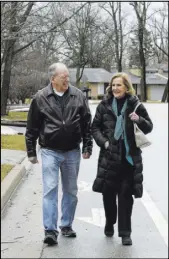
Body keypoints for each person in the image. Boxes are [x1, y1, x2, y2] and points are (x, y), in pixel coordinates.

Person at [25, 63, 93, 245]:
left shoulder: (78, 95)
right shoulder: (40, 97)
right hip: (49, 151)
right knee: (50, 189)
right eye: (63, 77)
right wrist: (31, 151)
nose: (67, 79)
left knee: (71, 191)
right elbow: (32, 127)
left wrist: (88, 146)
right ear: (52, 78)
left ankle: (66, 225)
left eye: (68, 77)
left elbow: (87, 123)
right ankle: (50, 230)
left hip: (72, 151)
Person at [92, 72, 153, 246]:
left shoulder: (135, 105)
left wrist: (139, 119)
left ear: (126, 87)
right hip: (109, 158)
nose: (115, 88)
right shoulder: (104, 106)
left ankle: (126, 233)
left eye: (119, 85)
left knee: (126, 196)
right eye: (113, 85)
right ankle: (110, 221)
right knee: (108, 195)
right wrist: (103, 143)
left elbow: (149, 127)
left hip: (128, 159)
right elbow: (95, 128)